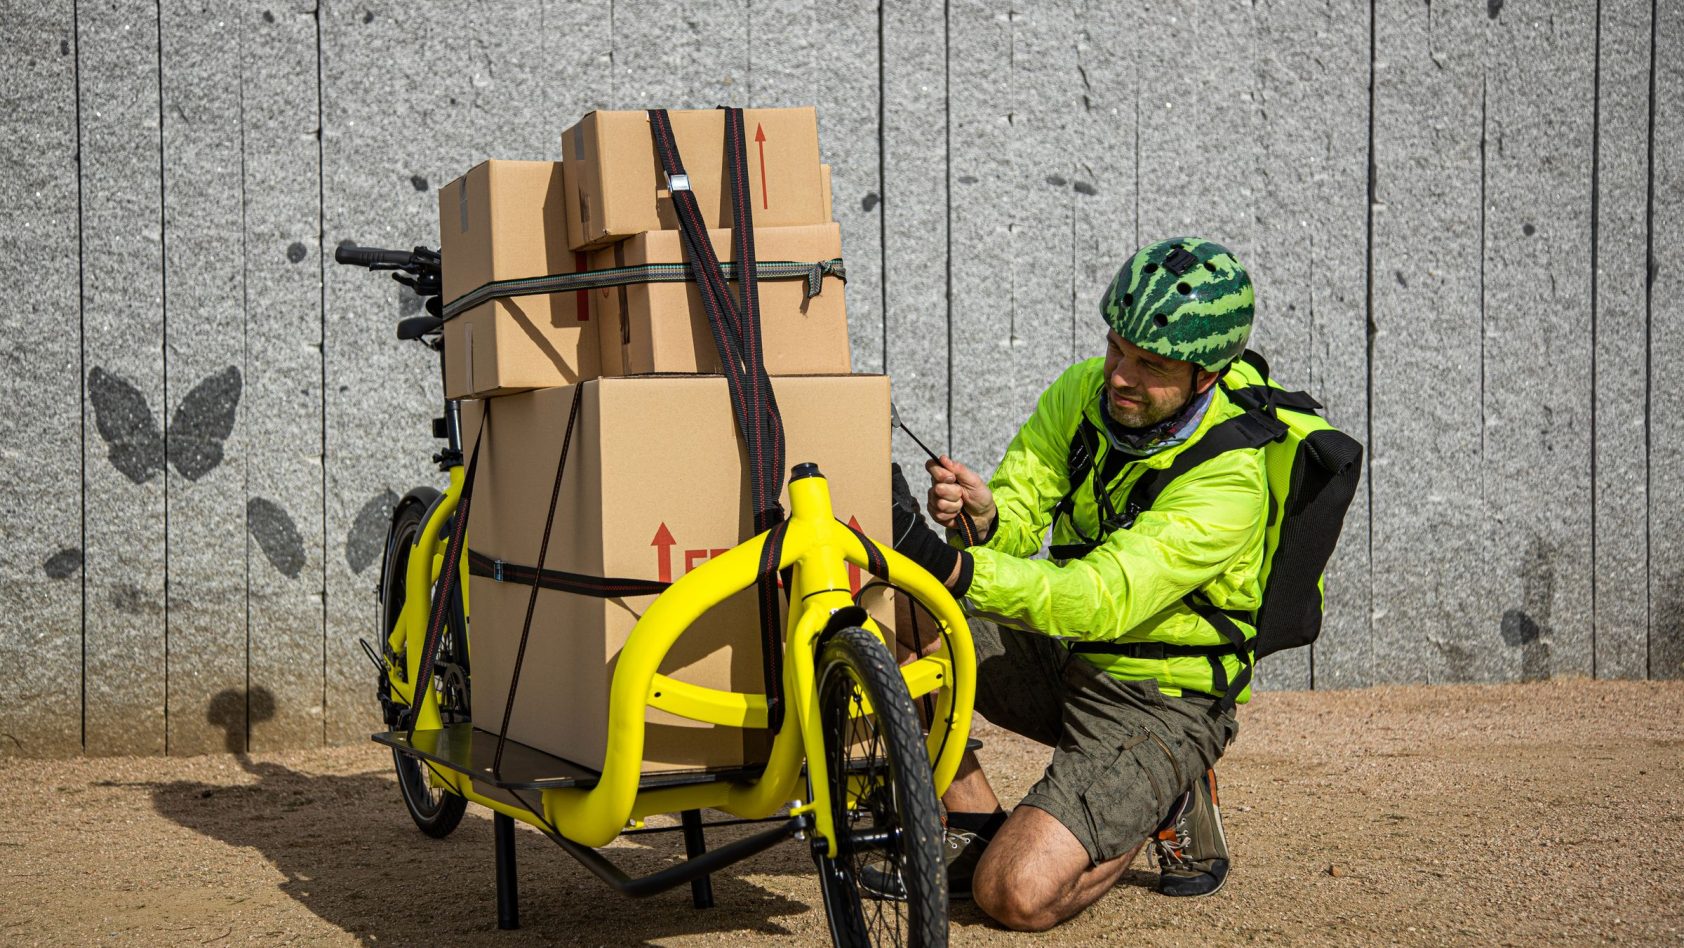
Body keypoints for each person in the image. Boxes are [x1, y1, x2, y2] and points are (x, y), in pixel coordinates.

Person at [888, 236, 1267, 931]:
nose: (1119, 375)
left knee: (1014, 895)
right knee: (889, 607)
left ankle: (1166, 785)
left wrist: (956, 568)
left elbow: (1101, 596)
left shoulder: (1230, 480)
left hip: (1159, 700)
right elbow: (1022, 510)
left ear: (1204, 377)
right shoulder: (1083, 394)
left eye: (1149, 365)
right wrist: (984, 517)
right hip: (1068, 654)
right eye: (1116, 347)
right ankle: (971, 815)